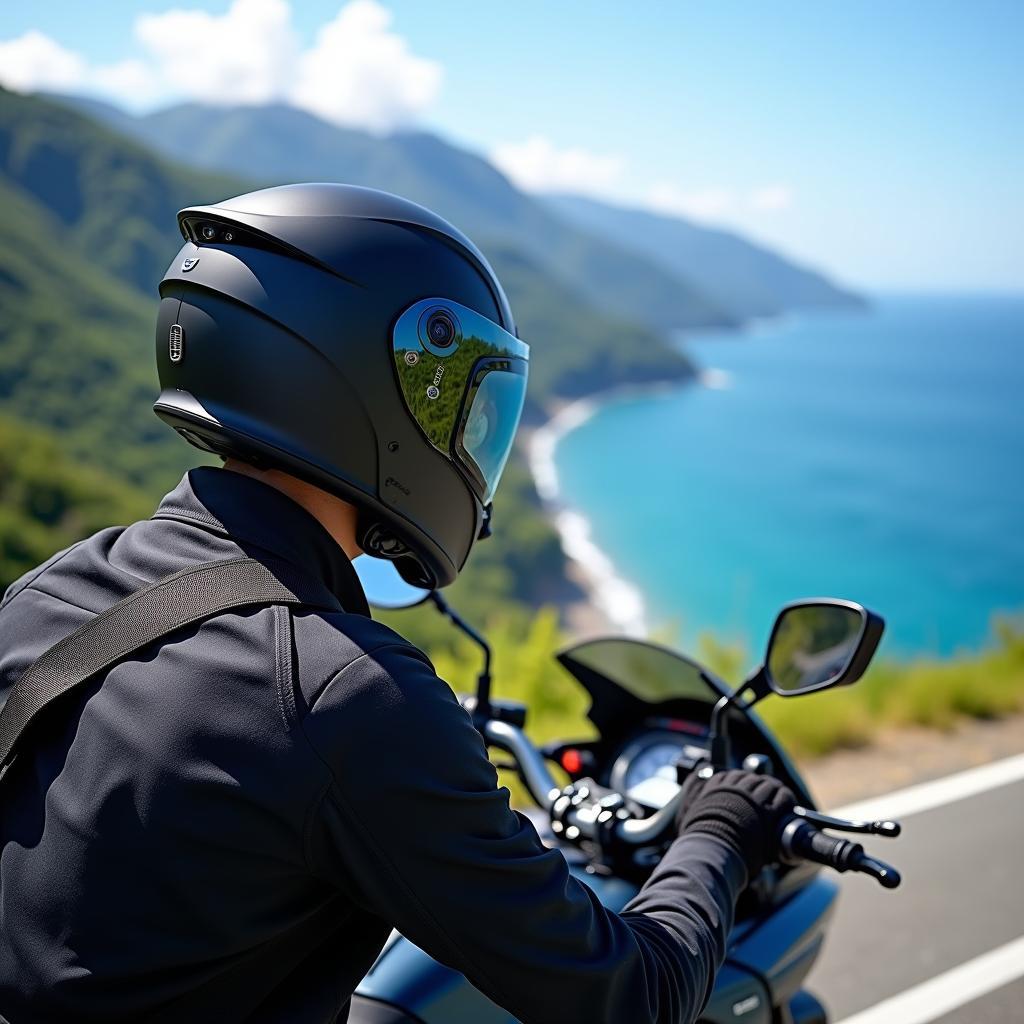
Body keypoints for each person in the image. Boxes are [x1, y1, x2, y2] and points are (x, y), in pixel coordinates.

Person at [0, 184, 794, 1024]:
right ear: (376, 391)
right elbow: (635, 996)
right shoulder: (344, 693)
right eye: (466, 406)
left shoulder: (56, 589)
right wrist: (720, 832)